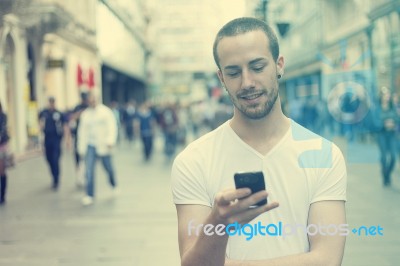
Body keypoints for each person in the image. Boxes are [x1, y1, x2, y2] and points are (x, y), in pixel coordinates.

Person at [171, 17, 347, 265]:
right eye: (233, 72)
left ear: (279, 65)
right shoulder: (192, 161)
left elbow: (327, 260)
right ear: (221, 78)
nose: (247, 83)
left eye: (257, 67)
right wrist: (218, 224)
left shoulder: (324, 154)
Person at [77, 91, 118, 206]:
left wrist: (110, 140)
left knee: (108, 168)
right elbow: (82, 132)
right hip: (90, 145)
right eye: (90, 98)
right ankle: (89, 194)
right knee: (89, 170)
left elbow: (112, 127)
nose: (92, 101)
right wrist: (81, 148)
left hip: (104, 145)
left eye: (94, 98)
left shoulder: (106, 112)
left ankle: (113, 183)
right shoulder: (85, 114)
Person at [39, 97, 70, 190]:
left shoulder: (59, 113)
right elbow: (40, 122)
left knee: (55, 159)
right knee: (49, 159)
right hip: (47, 139)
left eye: (52, 102)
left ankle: (56, 178)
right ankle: (53, 175)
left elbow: (65, 126)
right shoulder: (44, 113)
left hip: (56, 139)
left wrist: (67, 139)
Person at [373, 89, 399, 187]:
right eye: (385, 94)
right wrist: (384, 124)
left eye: (388, 94)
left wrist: (393, 123)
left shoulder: (392, 107)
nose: (387, 96)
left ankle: (387, 173)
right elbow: (375, 122)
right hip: (382, 135)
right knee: (384, 157)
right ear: (381, 96)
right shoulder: (377, 109)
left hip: (392, 135)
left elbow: (397, 118)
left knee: (393, 157)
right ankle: (385, 177)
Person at [69, 92, 89, 187]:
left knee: (87, 158)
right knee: (77, 157)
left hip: (88, 137)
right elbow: (71, 118)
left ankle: (86, 176)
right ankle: (79, 176)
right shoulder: (77, 108)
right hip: (78, 136)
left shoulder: (90, 108)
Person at [0, 101, 10, 204]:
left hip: (1, 146)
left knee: (1, 170)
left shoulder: (3, 116)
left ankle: (2, 194)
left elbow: (3, 130)